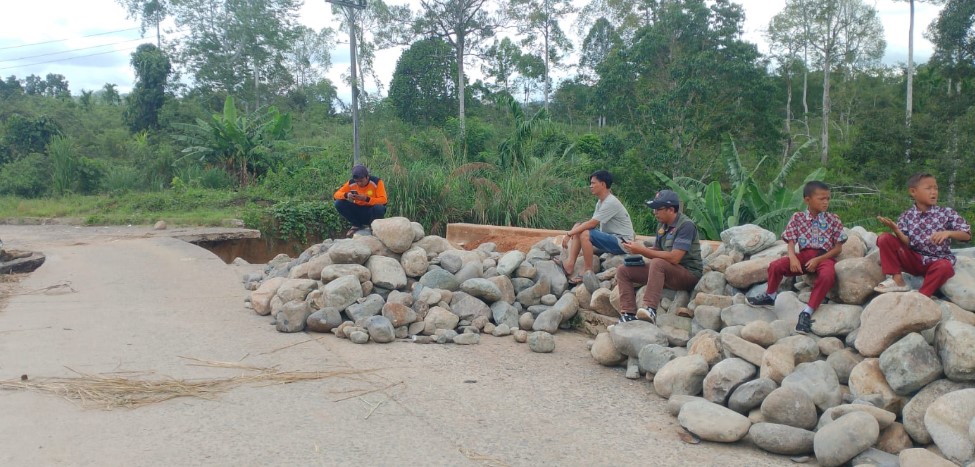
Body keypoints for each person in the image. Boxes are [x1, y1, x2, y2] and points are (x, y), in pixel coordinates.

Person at [747, 181, 847, 334]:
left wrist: (818, 260)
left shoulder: (833, 219)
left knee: (828, 275)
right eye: (821, 199)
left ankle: (807, 312)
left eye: (828, 198)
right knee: (776, 265)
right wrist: (792, 257)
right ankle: (770, 295)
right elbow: (791, 241)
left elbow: (838, 248)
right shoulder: (798, 218)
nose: (826, 202)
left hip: (824, 256)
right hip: (804, 255)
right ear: (807, 200)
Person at [874, 172, 971, 296]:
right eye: (928, 188)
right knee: (884, 238)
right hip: (914, 259)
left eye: (936, 188)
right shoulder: (907, 216)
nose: (934, 192)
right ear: (913, 192)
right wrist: (896, 230)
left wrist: (949, 233)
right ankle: (898, 280)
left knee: (945, 267)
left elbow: (967, 235)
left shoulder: (946, 213)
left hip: (937, 261)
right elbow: (907, 243)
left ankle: (922, 295)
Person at [615, 190, 702, 324]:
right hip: (666, 271)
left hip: (687, 274)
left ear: (671, 209)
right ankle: (628, 314)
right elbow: (658, 249)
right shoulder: (662, 225)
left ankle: (650, 309)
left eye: (658, 209)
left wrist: (643, 251)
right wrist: (635, 249)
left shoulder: (686, 225)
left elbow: (675, 258)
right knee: (623, 270)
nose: (654, 213)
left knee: (657, 263)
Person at [558, 170, 635, 285]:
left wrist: (569, 234)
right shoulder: (601, 202)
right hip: (611, 238)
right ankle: (569, 264)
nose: (591, 186)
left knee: (585, 233)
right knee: (578, 226)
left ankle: (588, 271)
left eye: (593, 183)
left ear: (603, 184)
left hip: (623, 242)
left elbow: (591, 224)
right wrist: (574, 230)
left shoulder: (611, 202)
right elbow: (589, 223)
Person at [333, 164, 388, 237]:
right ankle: (356, 225)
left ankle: (373, 227)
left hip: (371, 211)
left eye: (361, 181)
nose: (359, 183)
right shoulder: (351, 183)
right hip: (358, 210)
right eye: (357, 181)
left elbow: (383, 200)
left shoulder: (377, 182)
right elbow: (336, 195)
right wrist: (346, 195)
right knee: (338, 203)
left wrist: (366, 199)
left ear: (367, 177)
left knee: (380, 208)